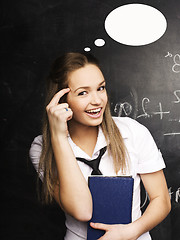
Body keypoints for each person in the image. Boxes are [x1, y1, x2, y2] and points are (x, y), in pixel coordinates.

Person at [29, 52, 171, 240]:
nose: (97, 100)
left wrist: (130, 232)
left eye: (101, 88)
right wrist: (59, 137)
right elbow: (82, 211)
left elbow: (162, 200)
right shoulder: (42, 147)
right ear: (61, 99)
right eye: (83, 92)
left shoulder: (133, 131)